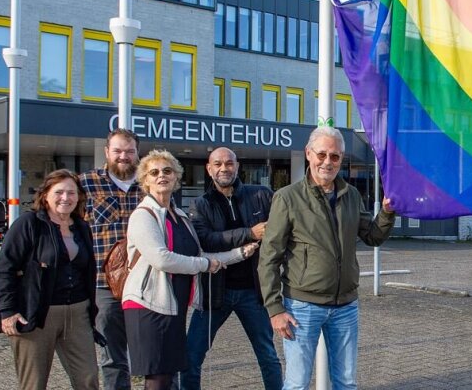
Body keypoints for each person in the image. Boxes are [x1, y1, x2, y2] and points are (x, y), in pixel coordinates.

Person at [258, 126, 395, 390]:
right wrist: (275, 309)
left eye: (335, 156)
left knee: (346, 382)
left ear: (341, 159)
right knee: (297, 383)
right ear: (309, 154)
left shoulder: (352, 195)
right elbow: (269, 258)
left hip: (345, 306)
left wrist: (387, 213)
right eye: (322, 154)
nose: (327, 162)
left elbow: (373, 236)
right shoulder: (287, 198)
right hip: (301, 307)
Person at [121, 150, 258, 390]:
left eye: (167, 171)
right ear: (145, 180)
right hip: (148, 306)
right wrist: (205, 265)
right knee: (158, 378)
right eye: (154, 172)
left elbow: (199, 256)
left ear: (176, 178)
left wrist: (239, 253)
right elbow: (162, 259)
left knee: (169, 375)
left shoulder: (181, 216)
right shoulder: (143, 215)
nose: (161, 176)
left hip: (173, 305)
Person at [182, 147, 282, 390]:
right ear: (209, 168)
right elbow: (205, 239)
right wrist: (250, 233)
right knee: (191, 356)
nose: (223, 168)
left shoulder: (261, 195)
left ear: (237, 166)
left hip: (254, 293)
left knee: (267, 355)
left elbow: (280, 230)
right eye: (217, 164)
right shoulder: (201, 204)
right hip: (215, 293)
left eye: (229, 163)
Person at [0, 169, 100, 390]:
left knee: (88, 378)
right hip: (38, 313)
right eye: (59, 192)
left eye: (71, 193)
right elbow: (5, 269)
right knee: (34, 383)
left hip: (78, 313)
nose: (65, 198)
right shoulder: (28, 224)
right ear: (45, 195)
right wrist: (7, 310)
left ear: (79, 196)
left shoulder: (81, 226)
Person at [80, 129, 144, 390]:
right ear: (107, 152)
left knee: (155, 351)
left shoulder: (151, 182)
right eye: (117, 151)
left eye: (129, 151)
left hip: (145, 284)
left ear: (137, 153)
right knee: (112, 356)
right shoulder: (85, 184)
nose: (123, 156)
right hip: (104, 285)